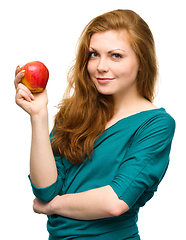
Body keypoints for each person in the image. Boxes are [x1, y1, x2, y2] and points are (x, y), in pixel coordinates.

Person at [14, 9, 175, 240]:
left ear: (142, 61)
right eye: (94, 54)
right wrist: (38, 116)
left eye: (116, 55)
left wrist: (52, 207)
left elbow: (115, 201)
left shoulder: (156, 124)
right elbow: (45, 189)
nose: (100, 66)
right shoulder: (74, 111)